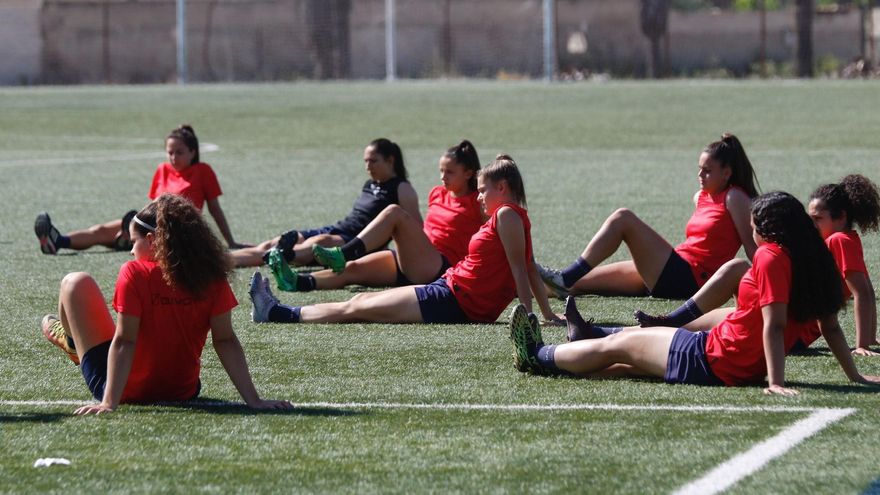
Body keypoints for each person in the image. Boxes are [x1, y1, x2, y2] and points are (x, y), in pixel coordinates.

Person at [510, 192, 880, 394]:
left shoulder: (770, 256)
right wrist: (855, 377)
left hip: (712, 358)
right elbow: (831, 327)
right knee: (620, 365)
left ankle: (537, 354)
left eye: (752, 228)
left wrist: (777, 382)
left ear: (768, 229)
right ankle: (572, 350)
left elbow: (775, 325)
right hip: (731, 363)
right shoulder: (811, 258)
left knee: (620, 346)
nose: (750, 235)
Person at [40, 194, 291, 414]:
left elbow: (126, 341)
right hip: (183, 391)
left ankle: (73, 344)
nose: (130, 251)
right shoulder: (211, 276)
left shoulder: (134, 272)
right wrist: (254, 401)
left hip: (123, 390)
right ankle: (74, 345)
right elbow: (225, 340)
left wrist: (108, 403)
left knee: (74, 283)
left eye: (132, 242)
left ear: (151, 241)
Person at [248, 154, 561, 325]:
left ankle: (276, 313)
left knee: (359, 307)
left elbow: (522, 270)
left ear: (503, 187)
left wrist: (531, 317)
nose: (478, 197)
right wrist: (545, 314)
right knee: (360, 302)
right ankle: (280, 307)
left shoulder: (507, 215)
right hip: (448, 288)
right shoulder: (511, 217)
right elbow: (529, 267)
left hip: (454, 303)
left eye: (483, 190)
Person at [633, 174, 880, 356]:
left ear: (842, 218)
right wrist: (869, 338)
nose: (812, 224)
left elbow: (864, 294)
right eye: (810, 217)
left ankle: (666, 322)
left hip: (789, 331)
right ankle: (665, 323)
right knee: (699, 325)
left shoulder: (839, 240)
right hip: (782, 322)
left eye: (818, 218)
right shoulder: (845, 241)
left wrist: (862, 346)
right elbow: (866, 289)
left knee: (735, 269)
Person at [538, 133, 759, 300]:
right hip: (672, 267)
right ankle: (516, 289)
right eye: (699, 168)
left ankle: (565, 277)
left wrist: (768, 282)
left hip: (689, 279)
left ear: (727, 173)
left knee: (623, 219)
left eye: (707, 170)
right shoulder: (702, 196)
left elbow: (751, 246)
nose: (700, 175)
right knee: (578, 284)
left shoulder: (735, 198)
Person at [266, 140, 484, 291]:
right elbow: (425, 230)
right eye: (441, 170)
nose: (442, 177)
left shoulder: (479, 202)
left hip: (438, 266)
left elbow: (495, 237)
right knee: (353, 269)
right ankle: (295, 281)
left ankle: (344, 253)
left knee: (394, 212)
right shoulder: (437, 193)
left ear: (468, 173)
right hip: (413, 257)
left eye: (450, 172)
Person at [34, 125, 246, 254]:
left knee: (116, 235)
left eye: (179, 152)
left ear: (192, 152)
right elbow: (152, 205)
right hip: (150, 225)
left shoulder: (203, 171)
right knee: (100, 230)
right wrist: (136, 223)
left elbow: (215, 209)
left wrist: (231, 242)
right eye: (170, 152)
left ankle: (126, 239)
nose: (173, 157)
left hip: (177, 231)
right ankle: (58, 241)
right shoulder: (162, 170)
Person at [229, 138, 420, 267]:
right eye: (365, 161)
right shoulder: (370, 184)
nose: (367, 167)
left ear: (390, 160)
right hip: (338, 228)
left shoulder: (402, 188)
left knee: (318, 242)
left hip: (357, 241)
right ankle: (221, 260)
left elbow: (416, 227)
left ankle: (284, 257)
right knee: (276, 241)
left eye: (373, 161)